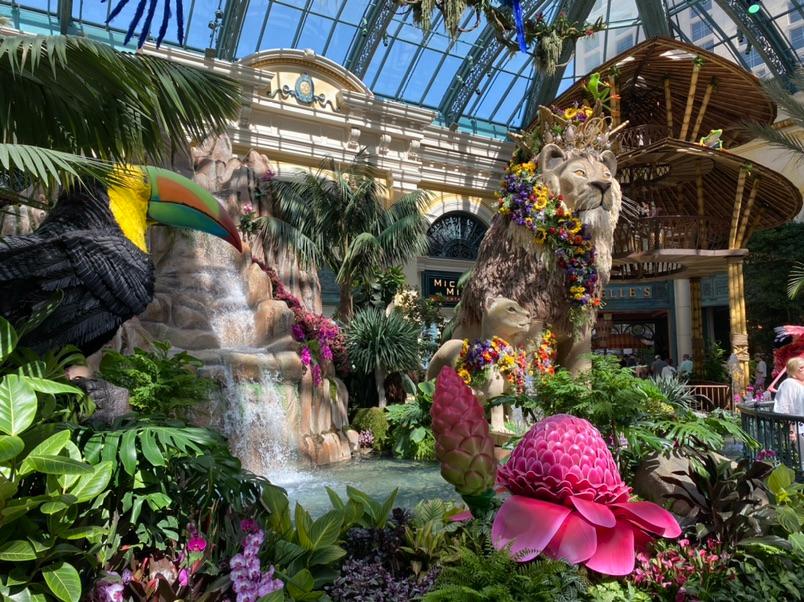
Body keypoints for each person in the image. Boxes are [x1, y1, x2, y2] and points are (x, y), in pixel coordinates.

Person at [772, 356, 804, 468]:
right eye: (801, 367)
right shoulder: (789, 383)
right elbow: (783, 408)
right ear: (793, 371)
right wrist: (791, 430)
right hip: (800, 429)